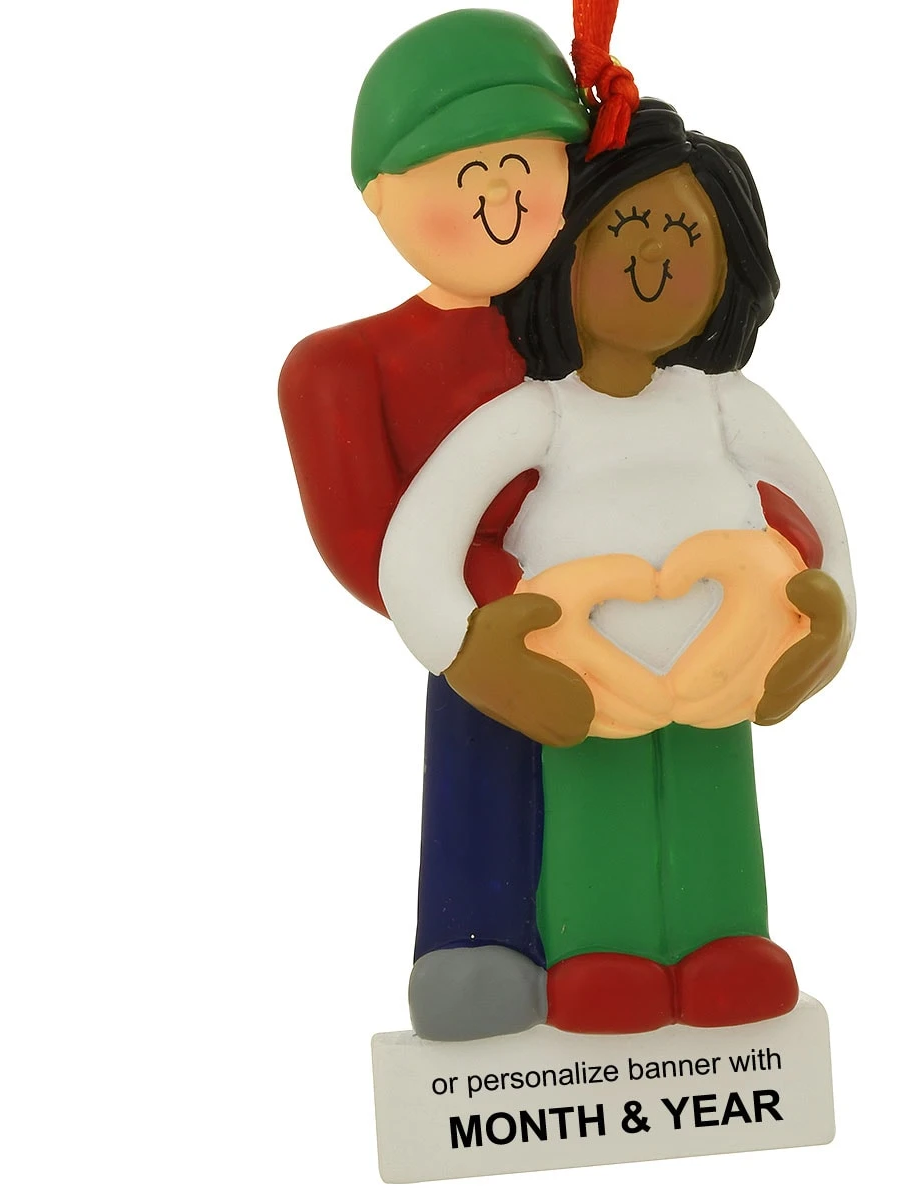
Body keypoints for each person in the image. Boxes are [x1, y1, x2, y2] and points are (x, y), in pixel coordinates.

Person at [378, 99, 855, 1034]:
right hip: (588, 677)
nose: (655, 256)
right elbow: (417, 546)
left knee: (716, 802)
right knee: (596, 811)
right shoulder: (540, 415)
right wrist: (470, 652)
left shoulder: (728, 406)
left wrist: (831, 622)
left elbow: (827, 520)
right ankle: (603, 952)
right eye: (625, 227)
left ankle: (726, 941)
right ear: (562, 254)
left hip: (724, 665)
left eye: (686, 233)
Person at [277, 10, 590, 1041]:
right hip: (481, 627)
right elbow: (366, 544)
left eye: (523, 165)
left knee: (631, 770)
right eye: (468, 173)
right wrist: (506, 601)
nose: (502, 196)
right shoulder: (342, 366)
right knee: (481, 751)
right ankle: (477, 943)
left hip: (642, 613)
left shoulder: (601, 332)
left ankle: (626, 942)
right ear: (380, 197)